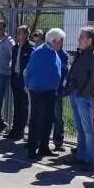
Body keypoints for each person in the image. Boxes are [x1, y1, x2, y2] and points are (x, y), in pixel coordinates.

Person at [65, 27, 94, 170]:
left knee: (87, 129)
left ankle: (89, 159)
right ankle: (80, 156)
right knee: (79, 127)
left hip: (84, 96)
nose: (78, 39)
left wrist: (83, 93)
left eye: (81, 37)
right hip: (76, 94)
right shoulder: (81, 53)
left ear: (89, 40)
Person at [24, 29, 64, 160]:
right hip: (38, 90)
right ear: (54, 41)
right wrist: (27, 84)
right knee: (36, 119)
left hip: (50, 91)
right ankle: (32, 147)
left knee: (48, 119)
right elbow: (29, 70)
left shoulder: (54, 52)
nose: (62, 43)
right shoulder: (39, 51)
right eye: (61, 41)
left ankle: (44, 147)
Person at [4, 25, 33, 140]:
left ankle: (20, 131)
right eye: (17, 33)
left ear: (26, 35)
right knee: (16, 105)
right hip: (15, 78)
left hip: (24, 80)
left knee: (23, 106)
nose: (18, 35)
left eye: (20, 33)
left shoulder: (30, 48)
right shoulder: (15, 48)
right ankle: (15, 129)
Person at [52, 44, 69, 152]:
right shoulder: (48, 53)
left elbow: (65, 72)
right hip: (46, 89)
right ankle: (40, 141)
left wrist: (62, 87)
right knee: (44, 116)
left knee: (58, 117)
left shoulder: (64, 55)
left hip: (57, 91)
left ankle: (58, 142)